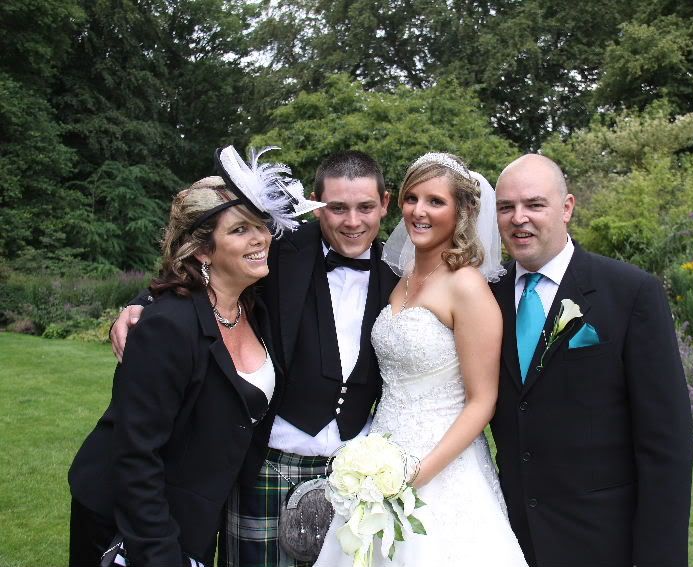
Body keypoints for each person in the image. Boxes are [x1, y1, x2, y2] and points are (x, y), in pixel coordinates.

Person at [110, 150, 397, 567]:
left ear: (385, 203)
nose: (352, 222)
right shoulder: (277, 246)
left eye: (365, 207)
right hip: (268, 460)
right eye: (337, 208)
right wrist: (143, 302)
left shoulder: (399, 270)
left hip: (355, 469)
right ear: (316, 203)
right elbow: (204, 262)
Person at [69, 146, 323, 566]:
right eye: (240, 230)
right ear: (204, 250)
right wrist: (160, 553)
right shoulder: (167, 326)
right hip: (127, 520)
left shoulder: (253, 307)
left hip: (196, 514)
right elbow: (136, 456)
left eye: (260, 226)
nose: (261, 238)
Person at [314, 152, 528, 566]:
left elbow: (482, 400)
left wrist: (419, 472)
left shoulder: (467, 287)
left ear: (461, 211)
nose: (418, 211)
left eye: (435, 201)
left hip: (442, 466)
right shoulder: (404, 278)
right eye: (411, 198)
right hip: (381, 454)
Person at [489, 154, 693, 567]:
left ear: (567, 208)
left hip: (600, 538)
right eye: (506, 207)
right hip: (507, 536)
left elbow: (666, 441)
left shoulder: (630, 292)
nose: (518, 218)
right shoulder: (486, 296)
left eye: (534, 204)